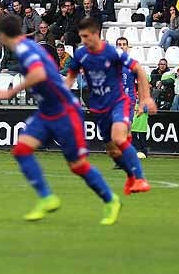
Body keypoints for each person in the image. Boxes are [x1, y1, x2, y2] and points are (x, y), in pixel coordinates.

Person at [0, 14, 121, 225]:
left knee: (78, 166)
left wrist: (9, 93)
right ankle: (46, 197)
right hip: (47, 112)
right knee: (22, 150)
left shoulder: (24, 50)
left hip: (65, 112)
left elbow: (39, 73)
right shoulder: (27, 47)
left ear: (3, 35)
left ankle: (110, 199)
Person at [65, 18, 155, 194]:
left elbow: (139, 70)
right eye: (80, 37)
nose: (83, 40)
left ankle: (140, 179)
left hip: (119, 102)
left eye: (85, 36)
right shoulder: (81, 54)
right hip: (100, 108)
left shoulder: (113, 53)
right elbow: (70, 77)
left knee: (119, 137)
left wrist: (145, 99)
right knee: (113, 150)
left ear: (96, 34)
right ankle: (131, 177)